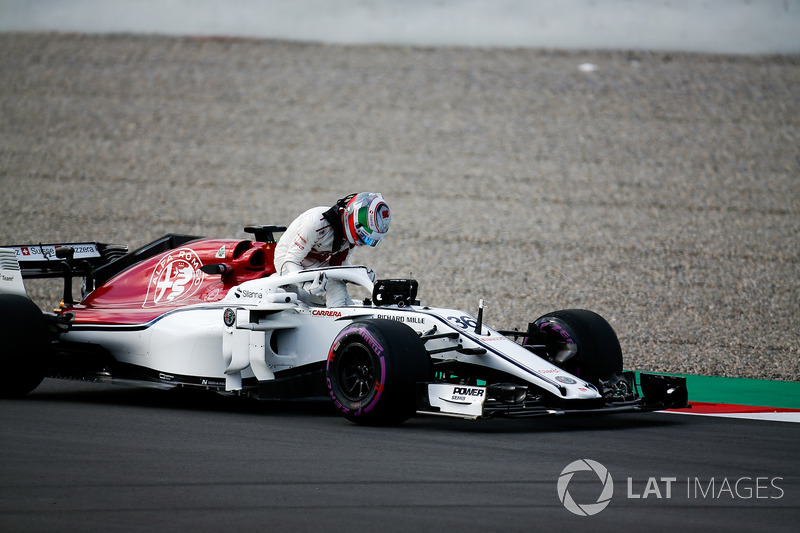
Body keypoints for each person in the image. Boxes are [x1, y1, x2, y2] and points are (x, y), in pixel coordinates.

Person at [273, 192, 390, 307]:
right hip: (287, 259)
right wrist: (306, 285)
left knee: (342, 294)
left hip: (313, 259)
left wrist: (361, 276)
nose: (362, 242)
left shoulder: (350, 235)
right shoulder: (315, 224)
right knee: (336, 288)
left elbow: (338, 264)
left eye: (368, 240)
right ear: (354, 221)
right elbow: (291, 261)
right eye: (363, 237)